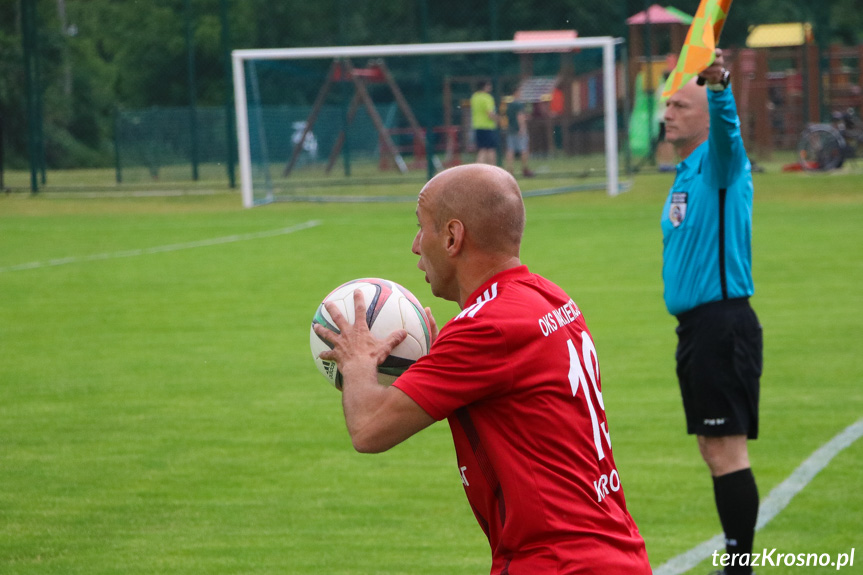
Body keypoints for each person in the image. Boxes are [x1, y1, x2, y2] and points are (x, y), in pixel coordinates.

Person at [314, 164, 652, 574]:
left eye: (422, 228)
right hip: (612, 550)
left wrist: (358, 360)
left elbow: (368, 429)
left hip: (557, 563)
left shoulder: (485, 329)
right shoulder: (547, 297)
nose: (416, 246)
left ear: (453, 237)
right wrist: (439, 363)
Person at [661, 49, 761, 575]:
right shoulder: (686, 171)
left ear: (704, 114)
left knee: (726, 449)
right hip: (698, 330)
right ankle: (737, 562)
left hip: (723, 325)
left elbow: (729, 134)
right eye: (668, 104)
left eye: (679, 104)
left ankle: (739, 567)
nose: (667, 112)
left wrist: (720, 88)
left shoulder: (722, 163)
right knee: (712, 446)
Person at [503, 88, 534, 177]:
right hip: (518, 129)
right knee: (523, 149)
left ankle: (510, 169)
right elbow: (520, 116)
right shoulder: (519, 104)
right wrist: (522, 128)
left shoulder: (509, 105)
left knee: (510, 150)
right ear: (516, 92)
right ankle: (525, 169)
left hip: (510, 129)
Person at [470, 80, 498, 165]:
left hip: (477, 125)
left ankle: (478, 169)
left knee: (482, 149)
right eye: (489, 86)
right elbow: (490, 113)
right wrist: (499, 119)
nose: (490, 88)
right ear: (485, 87)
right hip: (487, 126)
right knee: (491, 149)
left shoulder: (474, 96)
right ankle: (493, 169)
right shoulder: (487, 97)